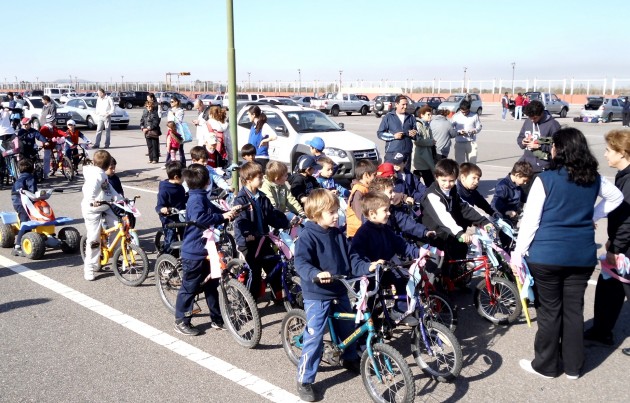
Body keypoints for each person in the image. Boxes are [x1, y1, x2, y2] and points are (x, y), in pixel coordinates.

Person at [510, 127, 623, 380]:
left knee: (550, 312)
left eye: (553, 146)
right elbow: (616, 197)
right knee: (574, 310)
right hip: (580, 256)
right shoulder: (593, 178)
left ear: (559, 150)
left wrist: (518, 254)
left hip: (546, 255)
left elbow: (531, 221)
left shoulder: (546, 179)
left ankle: (547, 366)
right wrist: (592, 215)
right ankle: (573, 367)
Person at [294, 189, 373, 401]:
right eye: (331, 212)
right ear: (316, 213)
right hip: (317, 292)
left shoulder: (338, 234)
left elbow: (352, 260)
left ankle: (348, 358)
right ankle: (305, 379)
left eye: (336, 210)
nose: (336, 215)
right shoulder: (307, 236)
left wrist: (369, 266)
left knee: (347, 327)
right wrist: (316, 274)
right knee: (315, 337)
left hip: (339, 288)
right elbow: (301, 263)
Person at [174, 164, 235, 336]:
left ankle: (216, 318)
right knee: (189, 288)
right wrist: (221, 216)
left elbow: (214, 211)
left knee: (212, 284)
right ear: (208, 181)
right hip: (194, 251)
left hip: (207, 249)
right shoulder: (196, 200)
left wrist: (229, 213)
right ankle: (181, 321)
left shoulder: (200, 196)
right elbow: (200, 218)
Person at [584, 129, 630, 353]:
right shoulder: (623, 175)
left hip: (626, 248)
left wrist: (617, 247)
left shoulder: (629, 180)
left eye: (609, 150)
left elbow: (628, 220)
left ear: (622, 153)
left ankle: (602, 331)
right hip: (619, 242)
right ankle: (602, 332)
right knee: (608, 288)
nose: (605, 155)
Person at [351, 191, 426, 325]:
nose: (389, 213)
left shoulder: (384, 229)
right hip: (369, 275)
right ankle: (361, 334)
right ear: (372, 214)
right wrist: (370, 266)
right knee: (366, 308)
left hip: (385, 269)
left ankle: (400, 310)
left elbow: (401, 244)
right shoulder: (363, 233)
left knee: (405, 277)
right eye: (385, 210)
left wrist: (419, 252)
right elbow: (357, 258)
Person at [420, 158, 492, 286]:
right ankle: (437, 294)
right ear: (436, 177)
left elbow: (463, 207)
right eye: (444, 180)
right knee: (438, 267)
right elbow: (444, 217)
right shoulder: (432, 195)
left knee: (460, 253)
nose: (447, 184)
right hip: (435, 236)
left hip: (449, 235)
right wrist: (459, 233)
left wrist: (483, 221)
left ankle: (457, 282)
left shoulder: (452, 190)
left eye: (451, 180)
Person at [233, 162, 289, 300]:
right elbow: (241, 220)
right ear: (248, 180)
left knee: (274, 266)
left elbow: (271, 215)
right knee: (255, 270)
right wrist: (247, 234)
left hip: (262, 238)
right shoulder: (240, 199)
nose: (262, 179)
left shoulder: (262, 197)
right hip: (248, 241)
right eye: (259, 177)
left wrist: (286, 223)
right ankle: (248, 302)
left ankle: (278, 296)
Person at [81, 150, 121, 281]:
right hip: (91, 208)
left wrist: (121, 199)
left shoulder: (102, 175)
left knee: (117, 225)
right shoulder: (95, 175)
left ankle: (113, 252)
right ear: (108, 164)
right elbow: (89, 191)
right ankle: (90, 266)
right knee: (94, 238)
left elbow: (109, 189)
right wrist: (92, 201)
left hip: (105, 205)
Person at [368, 176, 434, 243]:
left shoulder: (392, 209)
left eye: (393, 191)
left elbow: (406, 222)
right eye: (390, 192)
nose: (394, 194)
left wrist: (425, 232)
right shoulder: (372, 219)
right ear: (379, 195)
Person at [516, 100, 562, 197]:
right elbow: (520, 138)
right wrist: (523, 142)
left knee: (537, 197)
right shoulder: (528, 122)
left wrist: (540, 146)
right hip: (526, 165)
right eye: (530, 117)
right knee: (521, 195)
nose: (532, 120)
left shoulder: (553, 124)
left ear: (541, 113)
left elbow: (559, 146)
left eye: (535, 118)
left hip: (543, 167)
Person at [377, 95, 417, 169]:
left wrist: (414, 134)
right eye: (403, 104)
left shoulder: (411, 117)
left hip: (406, 153)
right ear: (396, 104)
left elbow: (417, 135)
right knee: (390, 176)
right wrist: (393, 136)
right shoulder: (388, 117)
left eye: (406, 104)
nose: (405, 107)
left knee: (406, 176)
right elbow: (380, 133)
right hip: (392, 153)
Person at [156, 161, 187, 255]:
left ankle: (183, 254)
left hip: (180, 215)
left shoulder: (180, 187)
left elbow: (182, 200)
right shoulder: (164, 190)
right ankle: (165, 259)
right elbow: (159, 206)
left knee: (185, 235)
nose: (184, 179)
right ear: (176, 177)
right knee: (170, 239)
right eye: (183, 176)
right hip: (168, 217)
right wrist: (163, 209)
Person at [10, 159, 37, 257]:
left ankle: (30, 237)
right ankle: (17, 246)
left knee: (28, 219)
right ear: (32, 168)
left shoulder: (20, 177)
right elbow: (32, 190)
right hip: (23, 202)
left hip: (17, 201)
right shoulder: (30, 177)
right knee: (26, 222)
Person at [345, 159, 376, 238]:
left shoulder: (365, 188)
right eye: (374, 175)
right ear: (366, 175)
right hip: (356, 232)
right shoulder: (358, 191)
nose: (375, 178)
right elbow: (360, 213)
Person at [451, 100, 482, 164]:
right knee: (459, 164)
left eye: (466, 112)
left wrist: (475, 130)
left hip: (471, 142)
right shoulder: (455, 116)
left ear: (469, 109)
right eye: (463, 112)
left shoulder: (474, 115)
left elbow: (479, 126)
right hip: (459, 143)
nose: (464, 113)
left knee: (472, 164)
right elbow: (451, 129)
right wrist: (459, 132)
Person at [247, 105, 276, 171]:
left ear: (253, 114)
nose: (248, 116)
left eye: (248, 114)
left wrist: (264, 140)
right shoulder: (253, 126)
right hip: (253, 157)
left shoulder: (264, 125)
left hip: (261, 157)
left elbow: (274, 136)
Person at [413, 105, 436, 186]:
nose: (430, 116)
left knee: (429, 183)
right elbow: (417, 141)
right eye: (428, 114)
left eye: (431, 114)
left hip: (426, 159)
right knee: (418, 184)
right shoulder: (418, 125)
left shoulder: (427, 126)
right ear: (422, 115)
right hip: (420, 159)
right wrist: (431, 142)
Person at [39, 115, 66, 180]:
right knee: (47, 158)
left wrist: (65, 134)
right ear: (51, 122)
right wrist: (47, 139)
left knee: (61, 149)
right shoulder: (44, 128)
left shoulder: (54, 127)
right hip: (47, 145)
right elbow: (41, 136)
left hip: (54, 143)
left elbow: (59, 132)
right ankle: (45, 173)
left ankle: (59, 161)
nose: (55, 122)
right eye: (54, 121)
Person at [166, 97, 186, 166]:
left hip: (177, 132)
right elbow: (161, 115)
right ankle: (168, 163)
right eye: (170, 102)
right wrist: (159, 106)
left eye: (172, 102)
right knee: (169, 146)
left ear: (176, 102)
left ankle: (183, 163)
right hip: (170, 130)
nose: (170, 103)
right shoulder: (170, 110)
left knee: (180, 148)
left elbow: (179, 121)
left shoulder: (180, 111)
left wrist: (174, 115)